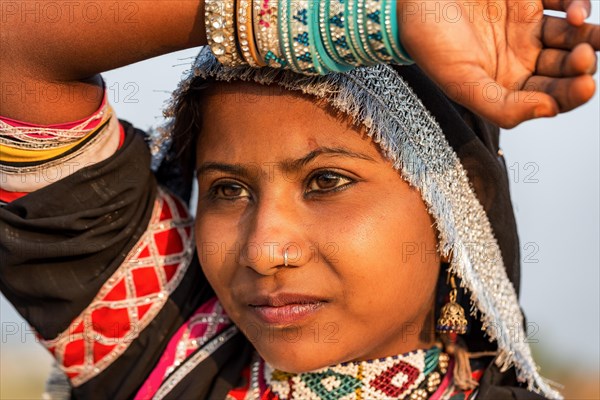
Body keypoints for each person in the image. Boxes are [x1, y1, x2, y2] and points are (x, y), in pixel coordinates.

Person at [0, 1, 598, 399]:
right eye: (228, 190)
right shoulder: (162, 347)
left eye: (326, 181)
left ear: (452, 207)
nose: (264, 251)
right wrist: (372, 20)